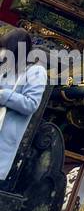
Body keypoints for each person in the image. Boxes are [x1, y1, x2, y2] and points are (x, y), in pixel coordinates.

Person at [0, 26, 47, 184]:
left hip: (5, 139)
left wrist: (2, 95)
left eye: (5, 48)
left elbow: (31, 104)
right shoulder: (4, 69)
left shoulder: (35, 71)